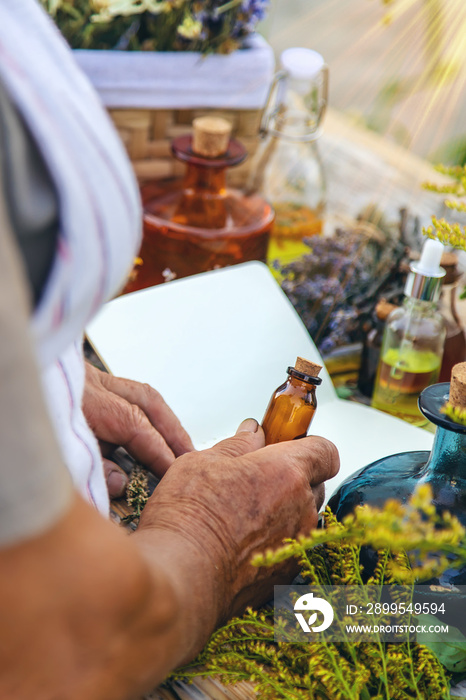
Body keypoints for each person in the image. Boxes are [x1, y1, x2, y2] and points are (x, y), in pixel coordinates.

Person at [0, 2, 340, 699]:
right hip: (112, 627)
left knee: (425, 615)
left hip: (106, 565)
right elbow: (54, 651)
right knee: (425, 621)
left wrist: (39, 374)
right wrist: (210, 540)